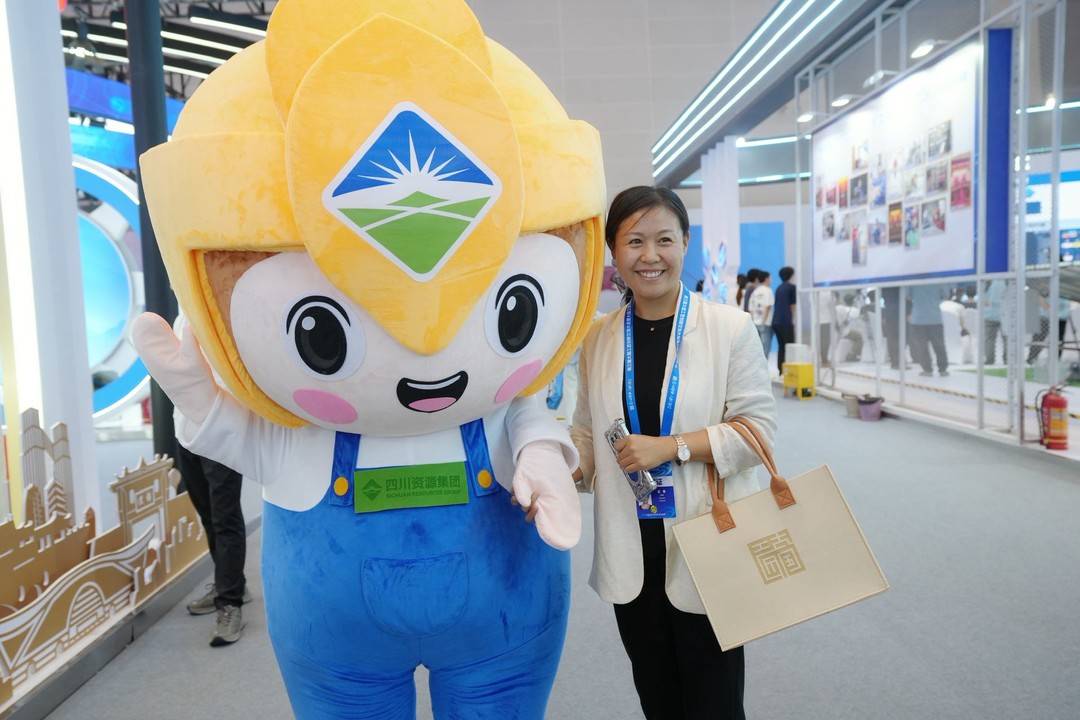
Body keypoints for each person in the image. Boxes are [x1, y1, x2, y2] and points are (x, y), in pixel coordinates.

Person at [570, 186, 776, 720]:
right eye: (634, 241)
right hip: (631, 546)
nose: (650, 255)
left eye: (664, 239)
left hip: (707, 539)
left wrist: (673, 447)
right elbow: (588, 432)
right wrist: (564, 469)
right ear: (614, 252)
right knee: (657, 698)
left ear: (685, 243)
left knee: (714, 702)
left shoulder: (729, 328)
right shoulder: (597, 338)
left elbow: (758, 434)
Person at [175, 445, 250, 645]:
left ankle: (230, 603)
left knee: (225, 518)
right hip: (187, 438)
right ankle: (233, 584)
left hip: (221, 438)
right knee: (207, 515)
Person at [908, 284, 949, 376]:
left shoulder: (912, 282)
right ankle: (943, 369)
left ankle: (927, 370)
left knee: (921, 346)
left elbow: (907, 296)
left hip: (918, 318)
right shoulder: (938, 281)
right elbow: (946, 295)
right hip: (935, 318)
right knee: (939, 345)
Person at [771, 266, 796, 375]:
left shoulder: (778, 288)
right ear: (791, 275)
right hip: (786, 321)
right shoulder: (792, 287)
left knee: (781, 347)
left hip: (776, 321)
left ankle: (781, 371)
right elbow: (793, 306)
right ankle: (789, 372)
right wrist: (793, 319)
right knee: (789, 347)